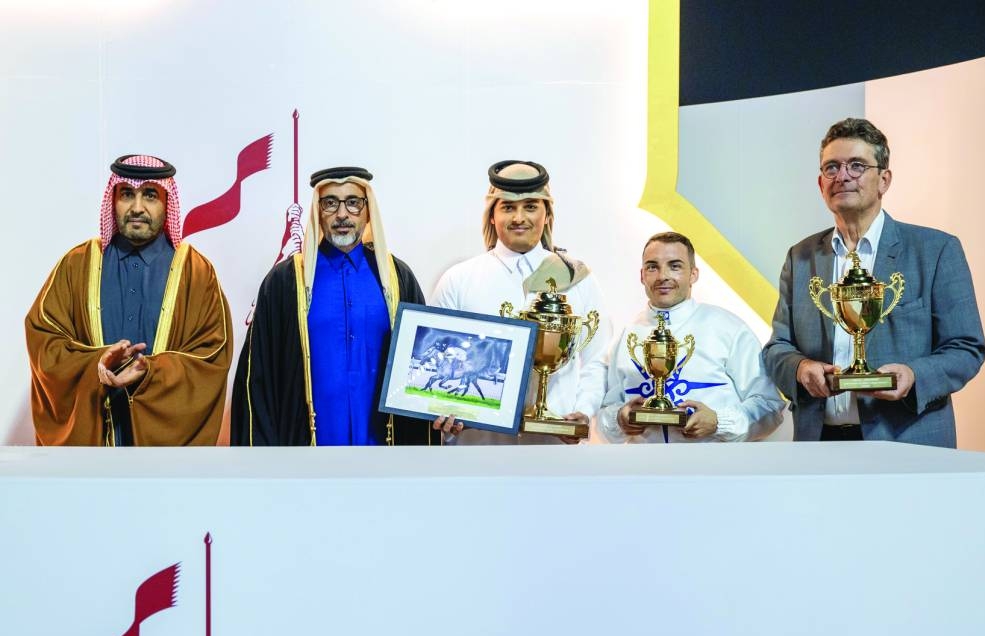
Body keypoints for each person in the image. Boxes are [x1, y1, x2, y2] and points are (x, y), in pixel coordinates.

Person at [763, 118, 985, 446]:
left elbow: (966, 347)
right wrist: (800, 368)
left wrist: (914, 376)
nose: (842, 176)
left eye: (857, 165)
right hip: (820, 444)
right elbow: (777, 348)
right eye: (832, 167)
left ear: (884, 179)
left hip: (909, 441)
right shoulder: (801, 257)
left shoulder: (936, 250)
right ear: (820, 183)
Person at [25, 154, 233, 446]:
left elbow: (210, 357)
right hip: (92, 447)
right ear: (113, 201)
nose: (137, 208)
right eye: (127, 194)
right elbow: (45, 341)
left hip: (161, 458)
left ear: (167, 202)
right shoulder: (76, 265)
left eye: (150, 195)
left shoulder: (196, 274)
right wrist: (95, 364)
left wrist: (151, 373)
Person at [231, 166, 435, 445]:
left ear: (367, 211)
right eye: (330, 203)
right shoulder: (285, 282)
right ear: (317, 211)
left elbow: (423, 365)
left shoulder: (397, 279)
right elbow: (259, 381)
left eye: (353, 202)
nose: (342, 214)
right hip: (307, 455)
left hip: (383, 454)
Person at [430, 160, 611, 444]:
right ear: (491, 215)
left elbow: (598, 359)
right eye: (507, 207)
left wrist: (583, 411)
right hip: (479, 450)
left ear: (547, 215)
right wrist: (444, 410)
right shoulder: (458, 280)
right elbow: (442, 356)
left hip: (555, 451)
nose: (519, 218)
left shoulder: (577, 277)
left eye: (530, 206)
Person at [598, 232, 784, 443]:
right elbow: (606, 411)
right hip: (644, 471)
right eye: (652, 267)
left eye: (675, 266)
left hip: (712, 470)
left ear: (694, 274)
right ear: (642, 275)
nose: (662, 276)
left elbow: (769, 405)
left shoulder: (728, 328)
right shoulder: (627, 337)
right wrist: (620, 418)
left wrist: (718, 422)